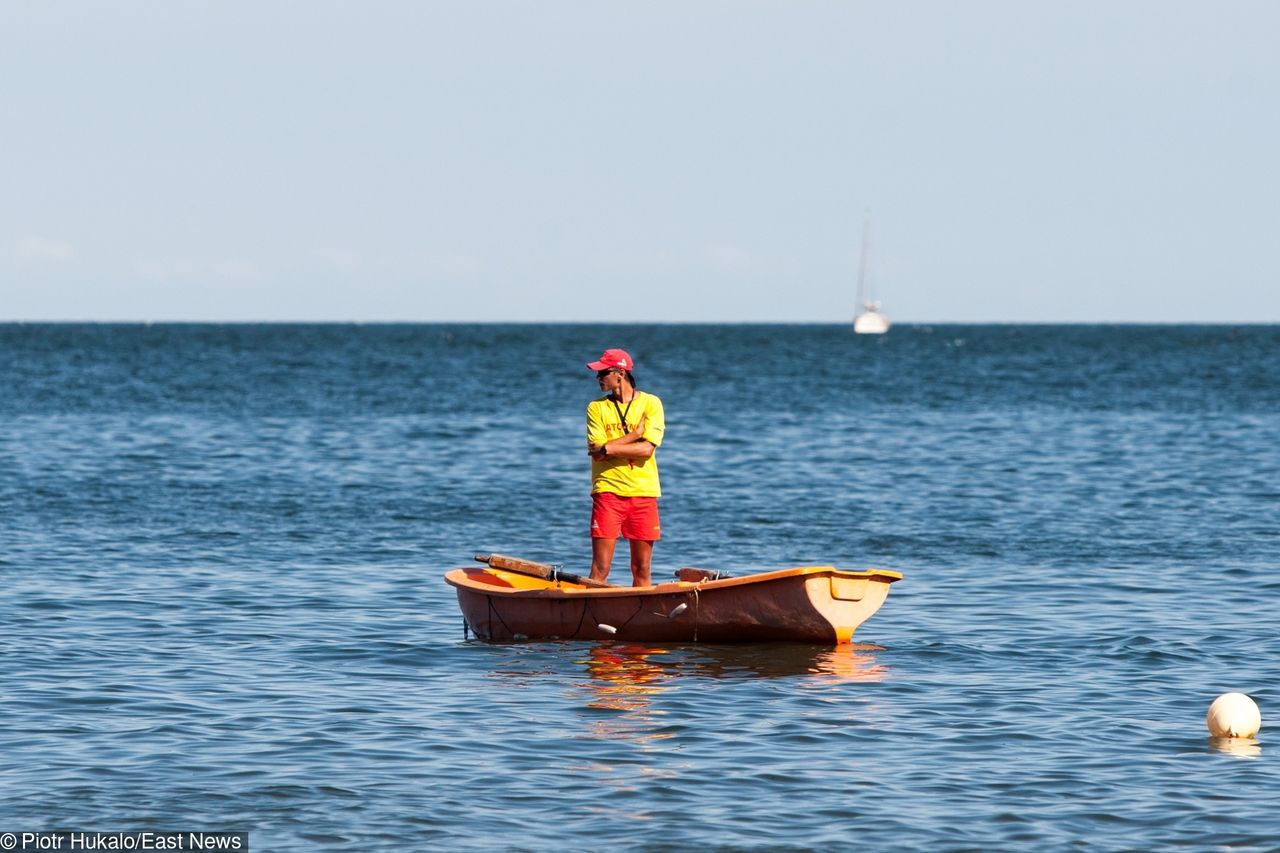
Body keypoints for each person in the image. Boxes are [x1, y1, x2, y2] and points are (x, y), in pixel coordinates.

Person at [584, 348, 665, 586]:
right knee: (600, 569)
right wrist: (635, 435)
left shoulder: (651, 403)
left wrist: (608, 448)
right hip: (608, 492)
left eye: (603, 373)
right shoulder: (596, 408)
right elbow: (597, 455)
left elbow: (646, 450)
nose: (598, 378)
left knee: (642, 569)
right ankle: (589, 617)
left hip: (643, 492)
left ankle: (644, 620)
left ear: (620, 373)